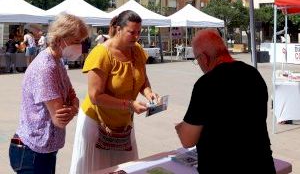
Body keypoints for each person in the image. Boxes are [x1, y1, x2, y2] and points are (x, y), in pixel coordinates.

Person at [175, 29, 276, 174]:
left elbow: (187, 140)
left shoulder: (206, 84)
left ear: (204, 58)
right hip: (261, 164)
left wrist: (179, 128)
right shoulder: (252, 73)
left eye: (197, 60)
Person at [70, 10, 159, 173]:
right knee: (99, 169)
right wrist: (130, 104)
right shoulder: (101, 53)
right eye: (131, 32)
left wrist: (148, 93)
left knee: (125, 169)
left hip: (123, 123)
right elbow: (95, 96)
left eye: (139, 32)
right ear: (118, 29)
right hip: (96, 122)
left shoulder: (137, 50)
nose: (136, 36)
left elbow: (142, 79)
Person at [9, 13, 89, 174]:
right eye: (76, 42)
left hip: (42, 148)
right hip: (33, 151)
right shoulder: (46, 68)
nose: (79, 46)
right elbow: (60, 120)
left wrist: (71, 105)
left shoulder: (57, 60)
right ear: (59, 39)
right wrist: (73, 107)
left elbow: (72, 94)